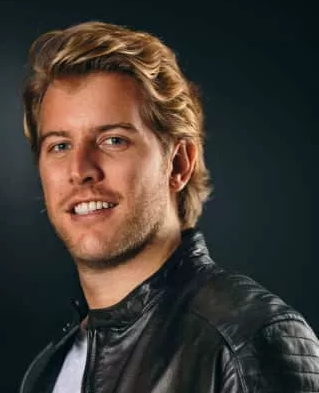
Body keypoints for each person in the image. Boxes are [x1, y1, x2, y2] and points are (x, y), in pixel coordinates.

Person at [19, 21, 319, 393]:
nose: (80, 170)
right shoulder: (48, 370)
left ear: (178, 164)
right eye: (60, 146)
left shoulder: (247, 341)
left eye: (114, 140)